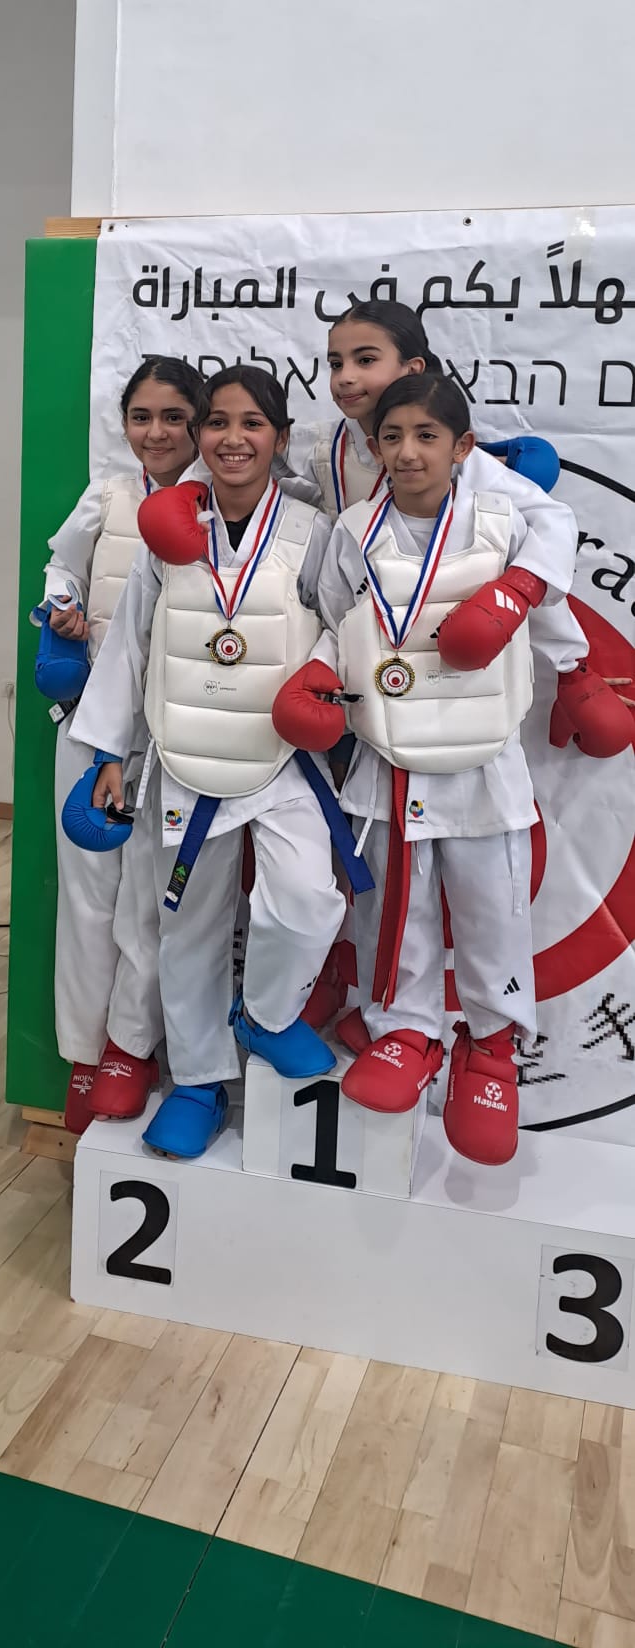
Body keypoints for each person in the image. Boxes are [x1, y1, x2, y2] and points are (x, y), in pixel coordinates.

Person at [67, 366, 357, 1161]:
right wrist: (111, 752)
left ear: (280, 437)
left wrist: (318, 677)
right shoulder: (168, 534)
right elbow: (130, 647)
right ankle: (197, 1083)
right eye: (218, 423)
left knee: (307, 902)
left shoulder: (311, 532)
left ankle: (264, 1015)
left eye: (252, 423)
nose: (234, 438)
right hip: (186, 761)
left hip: (280, 760)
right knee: (187, 931)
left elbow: (349, 627)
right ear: (199, 436)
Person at [274, 373, 547, 1165]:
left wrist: (581, 676)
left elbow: (549, 607)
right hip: (390, 756)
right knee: (397, 906)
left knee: (493, 908)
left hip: (480, 758)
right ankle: (405, 1030)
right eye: (391, 437)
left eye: (427, 436)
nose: (407, 452)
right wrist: (316, 671)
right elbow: (341, 620)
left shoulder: (502, 521)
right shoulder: (354, 529)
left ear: (463, 447)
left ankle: (491, 1048)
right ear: (373, 446)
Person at [286, 299, 630, 757]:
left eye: (365, 360)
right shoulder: (321, 444)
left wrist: (567, 664)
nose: (345, 376)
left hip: (455, 646)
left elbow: (549, 523)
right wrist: (191, 494)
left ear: (412, 369)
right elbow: (241, 453)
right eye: (335, 363)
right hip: (371, 649)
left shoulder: (463, 462)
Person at [43, 355, 204, 1133]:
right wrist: (62, 611)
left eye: (174, 417)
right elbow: (61, 569)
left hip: (175, 733)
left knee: (150, 901)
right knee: (87, 898)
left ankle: (128, 1049)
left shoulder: (220, 504)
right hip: (89, 724)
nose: (157, 432)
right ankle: (83, 1052)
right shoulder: (106, 495)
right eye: (142, 416)